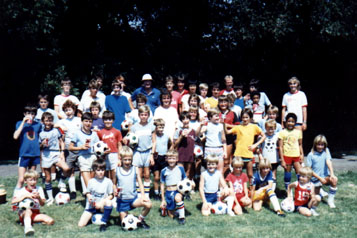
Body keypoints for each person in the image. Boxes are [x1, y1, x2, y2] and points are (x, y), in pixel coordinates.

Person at [225, 108, 266, 183]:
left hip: (248, 153)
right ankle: (237, 188)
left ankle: (251, 188)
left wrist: (255, 145)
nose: (245, 119)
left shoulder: (254, 127)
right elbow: (227, 132)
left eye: (247, 117)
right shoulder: (238, 127)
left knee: (250, 174)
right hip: (238, 154)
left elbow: (263, 136)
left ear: (250, 118)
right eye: (243, 117)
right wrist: (223, 124)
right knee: (237, 173)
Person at [115, 146, 152, 229]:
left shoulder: (135, 169)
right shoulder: (117, 170)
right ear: (121, 159)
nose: (127, 162)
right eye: (125, 160)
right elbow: (114, 184)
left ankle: (140, 220)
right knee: (125, 225)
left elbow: (140, 183)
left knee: (148, 204)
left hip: (133, 199)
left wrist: (143, 195)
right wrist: (115, 191)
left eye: (129, 159)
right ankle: (127, 216)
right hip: (123, 201)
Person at [39, 112, 70, 205]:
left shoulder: (56, 130)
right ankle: (50, 198)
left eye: (49, 121)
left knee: (66, 168)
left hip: (56, 152)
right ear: (42, 122)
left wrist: (62, 152)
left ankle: (61, 181)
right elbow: (39, 147)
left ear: (52, 121)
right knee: (48, 178)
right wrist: (42, 144)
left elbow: (62, 141)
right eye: (46, 121)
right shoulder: (41, 133)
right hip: (46, 154)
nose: (48, 123)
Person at [12, 170, 54, 236]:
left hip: (35, 212)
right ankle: (28, 228)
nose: (33, 182)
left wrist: (39, 197)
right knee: (28, 211)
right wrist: (25, 196)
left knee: (50, 221)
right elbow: (13, 201)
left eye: (35, 180)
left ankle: (30, 222)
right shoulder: (21, 191)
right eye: (30, 180)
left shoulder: (39, 189)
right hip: (24, 212)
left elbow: (42, 204)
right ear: (25, 181)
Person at [55, 100, 82, 199]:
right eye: (66, 110)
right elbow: (54, 125)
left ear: (74, 110)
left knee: (82, 169)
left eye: (70, 110)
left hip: (79, 146)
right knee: (70, 170)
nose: (68, 112)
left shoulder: (79, 120)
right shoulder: (63, 121)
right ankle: (72, 190)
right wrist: (61, 126)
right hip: (68, 147)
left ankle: (84, 190)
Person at [78, 159, 114, 231]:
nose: (100, 172)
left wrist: (102, 202)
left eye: (102, 170)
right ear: (94, 170)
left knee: (109, 203)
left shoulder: (108, 181)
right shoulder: (91, 181)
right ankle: (93, 215)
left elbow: (111, 195)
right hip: (92, 206)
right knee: (81, 225)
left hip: (101, 206)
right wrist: (89, 197)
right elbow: (88, 192)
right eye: (98, 170)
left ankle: (104, 222)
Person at [128, 105, 156, 198]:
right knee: (138, 174)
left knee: (147, 174)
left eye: (145, 114)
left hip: (147, 152)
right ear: (139, 115)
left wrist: (152, 154)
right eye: (142, 114)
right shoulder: (134, 127)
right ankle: (139, 195)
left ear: (148, 115)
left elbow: (154, 141)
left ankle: (146, 195)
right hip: (137, 152)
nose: (143, 116)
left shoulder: (152, 126)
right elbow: (129, 139)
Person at [69, 112, 100, 189]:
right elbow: (70, 147)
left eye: (90, 121)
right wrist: (81, 147)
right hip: (82, 158)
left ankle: (91, 199)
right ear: (82, 122)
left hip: (93, 157)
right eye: (86, 121)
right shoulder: (77, 134)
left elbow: (98, 147)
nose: (88, 123)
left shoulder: (94, 134)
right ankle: (89, 198)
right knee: (88, 184)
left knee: (93, 182)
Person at [14, 104, 42, 189]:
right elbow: (15, 136)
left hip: (34, 154)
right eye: (28, 113)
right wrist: (23, 122)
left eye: (33, 113)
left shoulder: (38, 125)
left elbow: (41, 137)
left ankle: (30, 197)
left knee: (31, 179)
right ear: (24, 114)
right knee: (22, 179)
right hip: (24, 154)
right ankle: (16, 198)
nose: (30, 115)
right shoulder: (19, 123)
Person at [306, 135, 338, 208]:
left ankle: (330, 201)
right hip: (315, 179)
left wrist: (332, 174)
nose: (320, 147)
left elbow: (328, 161)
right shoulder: (311, 155)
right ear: (315, 144)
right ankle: (319, 191)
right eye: (318, 144)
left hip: (325, 176)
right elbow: (309, 170)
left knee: (334, 179)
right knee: (316, 199)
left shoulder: (326, 151)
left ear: (325, 145)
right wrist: (320, 178)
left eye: (322, 145)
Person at [160, 149, 187, 225]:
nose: (171, 160)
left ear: (177, 159)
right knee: (171, 216)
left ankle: (182, 218)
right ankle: (171, 209)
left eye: (173, 158)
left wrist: (191, 184)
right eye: (169, 158)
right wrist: (163, 199)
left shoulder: (180, 168)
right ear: (166, 159)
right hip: (168, 192)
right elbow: (162, 185)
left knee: (178, 198)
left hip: (178, 191)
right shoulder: (164, 171)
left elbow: (185, 180)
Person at [278, 113, 303, 190]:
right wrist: (282, 160)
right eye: (289, 121)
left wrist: (301, 154)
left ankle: (300, 189)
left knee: (300, 173)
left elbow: (300, 145)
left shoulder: (298, 132)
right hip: (287, 156)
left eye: (292, 121)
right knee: (288, 174)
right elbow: (280, 147)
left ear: (295, 123)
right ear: (285, 122)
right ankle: (287, 190)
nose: (290, 123)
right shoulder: (282, 132)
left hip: (296, 156)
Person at [97, 110, 122, 185]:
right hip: (104, 156)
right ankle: (107, 189)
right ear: (103, 120)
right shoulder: (100, 132)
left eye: (110, 119)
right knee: (106, 173)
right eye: (106, 119)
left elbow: (119, 145)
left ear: (113, 120)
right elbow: (98, 145)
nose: (108, 121)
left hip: (114, 154)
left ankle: (114, 188)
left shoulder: (117, 131)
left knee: (114, 172)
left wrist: (119, 157)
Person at [200, 108, 227, 175]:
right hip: (209, 149)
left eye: (218, 115)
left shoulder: (221, 126)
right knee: (209, 170)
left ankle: (219, 185)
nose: (218, 117)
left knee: (220, 171)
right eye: (216, 116)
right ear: (210, 118)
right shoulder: (207, 126)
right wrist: (201, 127)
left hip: (219, 149)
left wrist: (225, 151)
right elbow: (199, 134)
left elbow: (224, 140)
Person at [173, 111, 197, 184]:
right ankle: (179, 187)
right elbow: (175, 144)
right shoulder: (178, 130)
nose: (185, 120)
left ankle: (186, 188)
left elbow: (196, 141)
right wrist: (181, 136)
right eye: (183, 119)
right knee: (180, 172)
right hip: (180, 154)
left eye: (187, 118)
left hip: (189, 154)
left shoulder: (193, 131)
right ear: (181, 120)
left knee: (188, 172)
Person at [217, 96, 239, 176]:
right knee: (217, 160)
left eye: (225, 102)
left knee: (226, 160)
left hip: (228, 139)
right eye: (221, 102)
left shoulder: (232, 113)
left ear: (228, 103)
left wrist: (227, 125)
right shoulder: (215, 112)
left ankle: (224, 179)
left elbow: (237, 127)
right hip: (217, 138)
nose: (223, 104)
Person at [152, 119, 172, 200]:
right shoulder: (153, 136)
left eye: (162, 127)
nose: (161, 129)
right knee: (156, 177)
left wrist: (169, 153)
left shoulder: (166, 136)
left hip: (164, 157)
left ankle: (162, 192)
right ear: (156, 127)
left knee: (163, 176)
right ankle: (156, 193)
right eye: (159, 127)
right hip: (156, 157)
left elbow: (171, 144)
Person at [259, 119, 280, 191]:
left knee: (273, 175)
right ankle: (263, 190)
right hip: (265, 159)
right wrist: (260, 156)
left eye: (272, 129)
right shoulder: (262, 136)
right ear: (265, 128)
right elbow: (258, 147)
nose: (270, 131)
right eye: (268, 129)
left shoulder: (277, 135)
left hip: (274, 159)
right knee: (264, 174)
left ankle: (272, 191)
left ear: (275, 128)